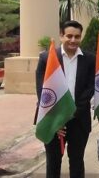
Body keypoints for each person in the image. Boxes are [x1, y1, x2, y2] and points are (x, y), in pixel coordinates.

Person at [35, 20, 95, 178]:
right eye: (69, 36)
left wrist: (70, 113)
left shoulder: (89, 59)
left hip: (79, 120)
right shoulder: (46, 58)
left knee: (77, 162)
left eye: (77, 36)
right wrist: (56, 118)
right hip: (52, 120)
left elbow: (90, 89)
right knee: (53, 163)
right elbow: (42, 92)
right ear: (61, 36)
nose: (73, 40)